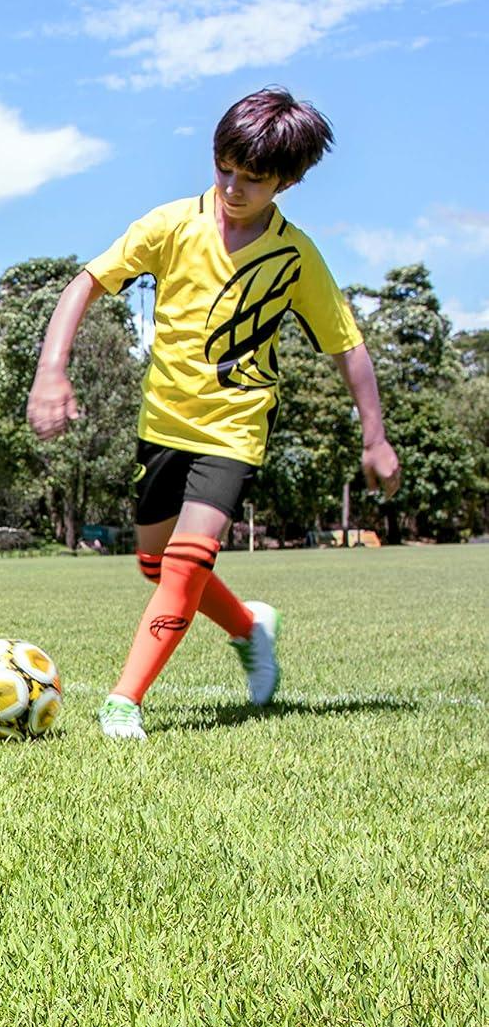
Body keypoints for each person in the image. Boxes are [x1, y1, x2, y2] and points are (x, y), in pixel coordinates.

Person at [26, 87, 401, 740]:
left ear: (288, 180)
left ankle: (124, 703)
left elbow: (347, 345)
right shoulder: (173, 224)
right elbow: (86, 282)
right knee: (155, 564)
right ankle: (250, 629)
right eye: (223, 167)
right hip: (164, 422)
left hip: (235, 426)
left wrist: (376, 435)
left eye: (252, 179)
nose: (232, 186)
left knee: (185, 564)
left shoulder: (296, 256)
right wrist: (51, 370)